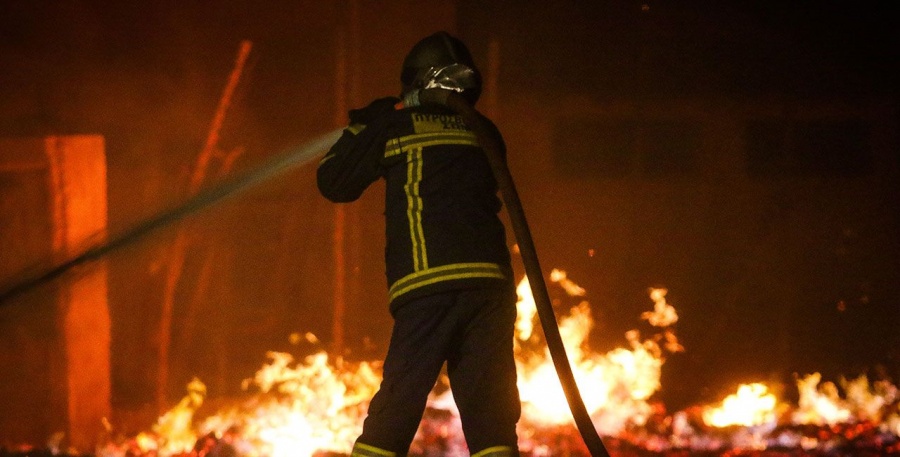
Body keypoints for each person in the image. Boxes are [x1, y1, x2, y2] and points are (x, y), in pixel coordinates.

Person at [317, 32, 521, 457]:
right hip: (492, 287)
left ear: (415, 84)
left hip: (430, 282)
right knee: (492, 417)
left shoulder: (394, 124)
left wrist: (364, 124)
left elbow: (334, 182)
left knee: (398, 406)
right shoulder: (484, 129)